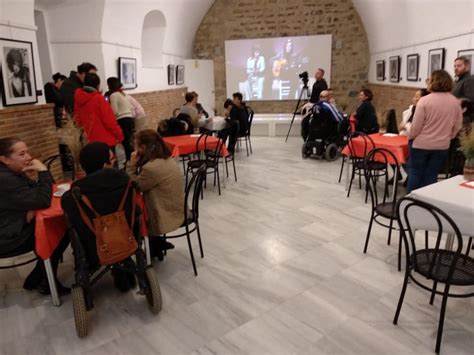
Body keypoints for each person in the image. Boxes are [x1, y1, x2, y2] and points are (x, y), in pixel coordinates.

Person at [61, 142, 136, 292]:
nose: (114, 159)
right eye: (112, 157)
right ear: (106, 162)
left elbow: (70, 213)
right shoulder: (124, 180)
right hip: (126, 236)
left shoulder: (75, 193)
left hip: (95, 245)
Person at [0, 137, 70, 294]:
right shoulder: (5, 178)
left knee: (60, 225)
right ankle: (43, 280)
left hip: (13, 224)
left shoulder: (13, 172)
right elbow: (42, 200)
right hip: (7, 237)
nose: (28, 157)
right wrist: (43, 171)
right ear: (4, 159)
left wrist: (33, 205)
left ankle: (38, 278)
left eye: (27, 152)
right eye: (22, 154)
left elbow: (40, 191)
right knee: (59, 228)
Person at [126, 130, 184, 259]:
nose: (134, 149)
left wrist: (131, 163)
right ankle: (156, 243)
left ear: (144, 148)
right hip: (177, 208)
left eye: (136, 146)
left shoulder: (151, 168)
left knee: (132, 215)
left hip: (166, 216)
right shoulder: (166, 159)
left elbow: (135, 185)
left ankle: (149, 246)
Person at [408, 70, 463, 192]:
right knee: (431, 174)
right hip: (441, 145)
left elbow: (416, 127)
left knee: (415, 173)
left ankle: (411, 202)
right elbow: (458, 125)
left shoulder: (425, 100)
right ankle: (427, 203)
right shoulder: (455, 102)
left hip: (421, 144)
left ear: (434, 82)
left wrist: (410, 137)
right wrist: (449, 137)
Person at [74, 73, 124, 149]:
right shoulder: (99, 99)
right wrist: (120, 136)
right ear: (98, 85)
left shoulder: (77, 100)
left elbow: (78, 121)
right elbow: (110, 122)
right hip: (106, 142)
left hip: (89, 142)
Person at [107, 77, 134, 162]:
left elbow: (115, 111)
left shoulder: (113, 95)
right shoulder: (123, 94)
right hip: (130, 119)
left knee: (125, 143)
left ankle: (128, 162)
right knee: (128, 142)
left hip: (122, 120)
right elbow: (130, 107)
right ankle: (131, 160)